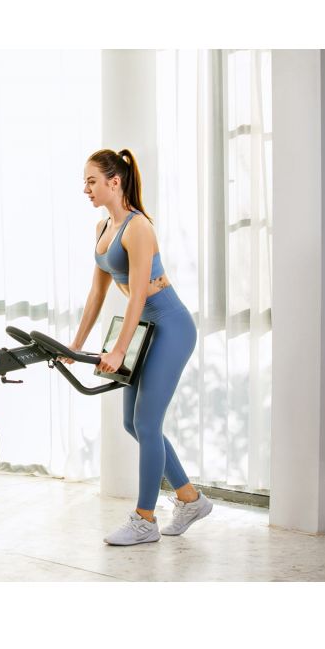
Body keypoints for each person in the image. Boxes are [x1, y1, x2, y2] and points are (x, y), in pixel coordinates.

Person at [63, 148, 212, 546]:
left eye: (92, 181)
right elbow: (97, 294)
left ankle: (145, 519)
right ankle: (190, 499)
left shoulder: (138, 227)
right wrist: (75, 344)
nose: (86, 189)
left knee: (147, 423)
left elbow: (138, 295)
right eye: (85, 182)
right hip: (144, 328)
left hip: (171, 327)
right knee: (133, 423)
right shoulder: (102, 228)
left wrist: (117, 351)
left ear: (114, 182)